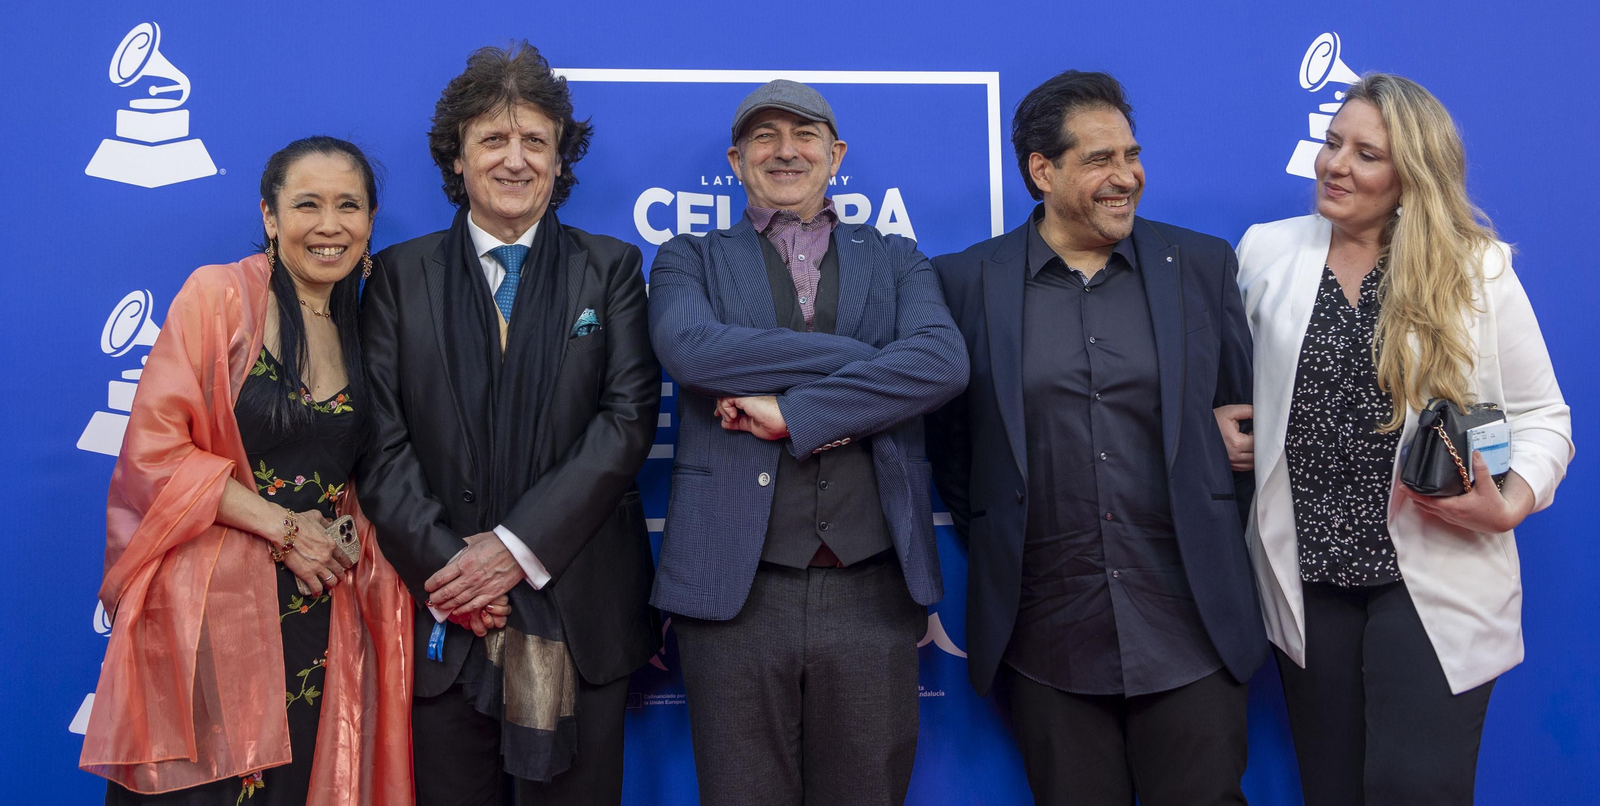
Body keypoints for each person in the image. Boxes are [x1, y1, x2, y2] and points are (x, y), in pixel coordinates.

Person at [927, 71, 1266, 806]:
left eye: (1132, 155)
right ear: (1041, 170)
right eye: (1100, 160)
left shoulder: (1201, 267)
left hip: (1191, 626)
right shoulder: (963, 283)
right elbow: (956, 451)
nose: (1126, 178)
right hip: (1048, 635)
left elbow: (1238, 417)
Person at [1233, 73, 1573, 806]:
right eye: (1332, 144)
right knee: (1333, 791)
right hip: (1309, 574)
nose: (1335, 165)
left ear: (1411, 173)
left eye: (1366, 154)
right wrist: (1223, 424)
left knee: (1414, 789)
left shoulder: (1474, 268)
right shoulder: (1265, 253)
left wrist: (1511, 501)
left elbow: (1542, 415)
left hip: (1432, 574)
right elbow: (1234, 383)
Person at [647, 79, 968, 806]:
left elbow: (943, 363)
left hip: (871, 587)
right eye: (765, 136)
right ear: (735, 160)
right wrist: (872, 357)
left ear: (836, 153)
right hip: (734, 592)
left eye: (805, 134)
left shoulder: (897, 257)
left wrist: (798, 414)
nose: (785, 150)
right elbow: (694, 352)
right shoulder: (686, 258)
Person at [358, 42, 659, 806]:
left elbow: (625, 425)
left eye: (536, 141)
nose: (515, 160)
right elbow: (380, 441)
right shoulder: (397, 276)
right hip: (445, 613)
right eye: (493, 139)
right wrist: (454, 574)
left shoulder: (612, 267)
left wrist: (514, 551)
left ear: (561, 162)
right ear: (455, 159)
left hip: (578, 612)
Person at [81, 137, 413, 805]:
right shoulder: (219, 298)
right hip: (210, 612)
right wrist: (286, 528)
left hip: (320, 619)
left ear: (370, 222)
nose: (329, 225)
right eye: (307, 204)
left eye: (348, 205)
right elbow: (155, 451)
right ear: (269, 215)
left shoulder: (372, 321)